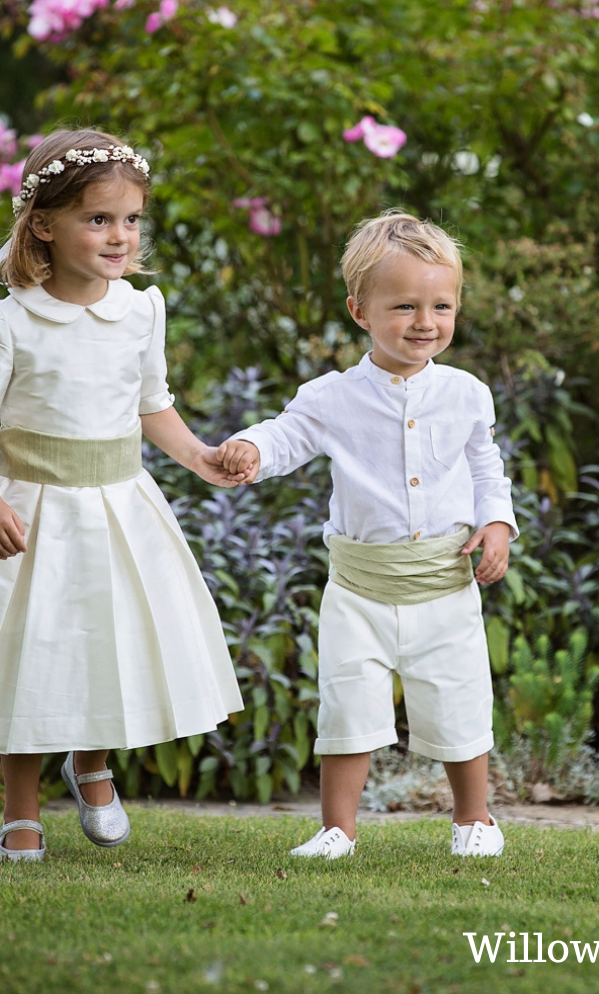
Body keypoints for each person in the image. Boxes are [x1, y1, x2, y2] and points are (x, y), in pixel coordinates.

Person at [0, 128, 244, 861]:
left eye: (131, 219)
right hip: (29, 506)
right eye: (98, 218)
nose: (119, 236)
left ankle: (92, 763)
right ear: (43, 222)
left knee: (107, 639)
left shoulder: (141, 311)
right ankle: (20, 810)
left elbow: (152, 404)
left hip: (115, 506)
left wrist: (199, 457)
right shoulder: (3, 322)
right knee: (26, 655)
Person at [217, 211, 517, 860]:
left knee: (459, 702)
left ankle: (475, 820)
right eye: (404, 305)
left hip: (443, 584)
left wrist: (497, 523)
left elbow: (484, 467)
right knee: (347, 705)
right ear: (360, 311)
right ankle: (337, 830)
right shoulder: (332, 397)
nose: (425, 322)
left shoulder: (466, 394)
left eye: (442, 305)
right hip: (358, 591)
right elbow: (286, 435)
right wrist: (249, 448)